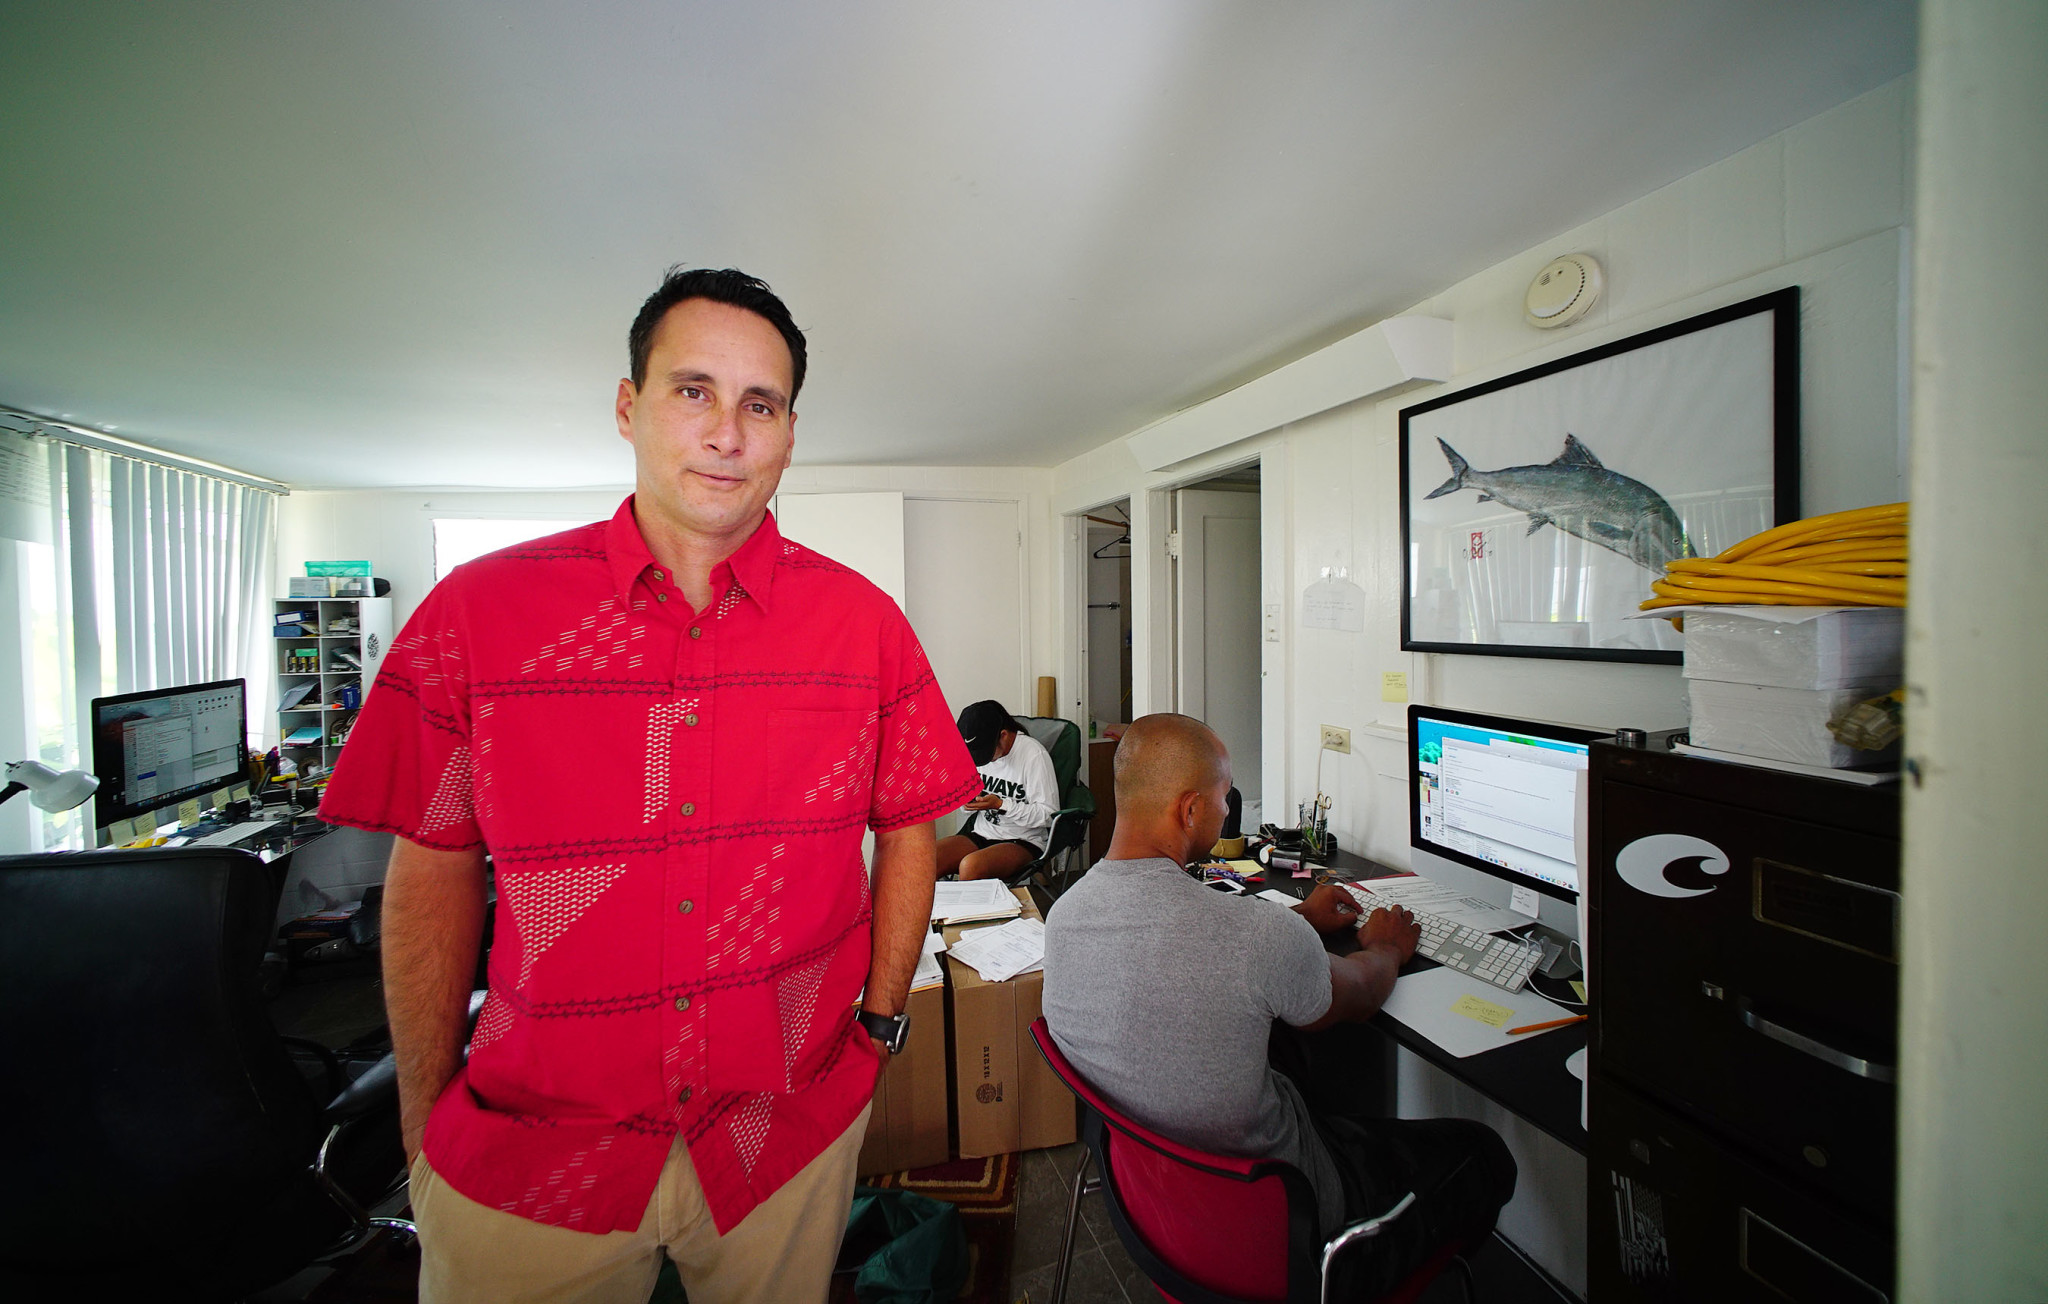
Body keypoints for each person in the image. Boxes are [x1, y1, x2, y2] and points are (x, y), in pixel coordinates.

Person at [318, 267, 982, 1304]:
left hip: (784, 1132)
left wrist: (882, 1022)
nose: (727, 431)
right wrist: (421, 1117)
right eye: (692, 390)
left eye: (758, 404)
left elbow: (910, 825)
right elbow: (436, 860)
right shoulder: (476, 614)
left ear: (789, 432)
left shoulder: (865, 625)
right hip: (532, 1150)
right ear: (628, 408)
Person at [1042, 714, 1516, 1298]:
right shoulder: (1253, 936)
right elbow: (1356, 997)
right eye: (1223, 796)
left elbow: (1198, 949)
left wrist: (1297, 923)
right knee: (1483, 1154)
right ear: (1190, 810)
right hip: (1286, 1220)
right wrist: (1388, 949)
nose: (1226, 810)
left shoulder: (1063, 919)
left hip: (1155, 1206)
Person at [936, 700, 1060, 881]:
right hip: (981, 833)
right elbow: (964, 799)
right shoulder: (976, 750)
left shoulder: (1033, 755)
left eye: (987, 754)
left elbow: (1049, 815)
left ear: (1003, 735)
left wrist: (1002, 805)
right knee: (928, 859)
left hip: (1022, 840)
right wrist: (967, 802)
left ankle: (973, 909)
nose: (984, 761)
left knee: (971, 866)